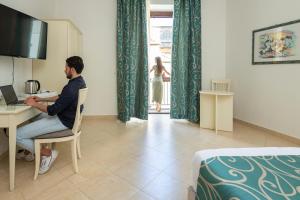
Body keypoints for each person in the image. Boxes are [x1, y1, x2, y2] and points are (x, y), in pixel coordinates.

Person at [16, 56, 86, 174]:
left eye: (66, 67)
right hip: (68, 118)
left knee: (17, 135)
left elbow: (52, 110)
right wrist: (40, 99)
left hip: (64, 121)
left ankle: (47, 154)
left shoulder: (71, 88)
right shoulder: (80, 82)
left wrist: (33, 103)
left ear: (72, 70)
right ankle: (31, 151)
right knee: (35, 117)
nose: (64, 70)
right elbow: (61, 97)